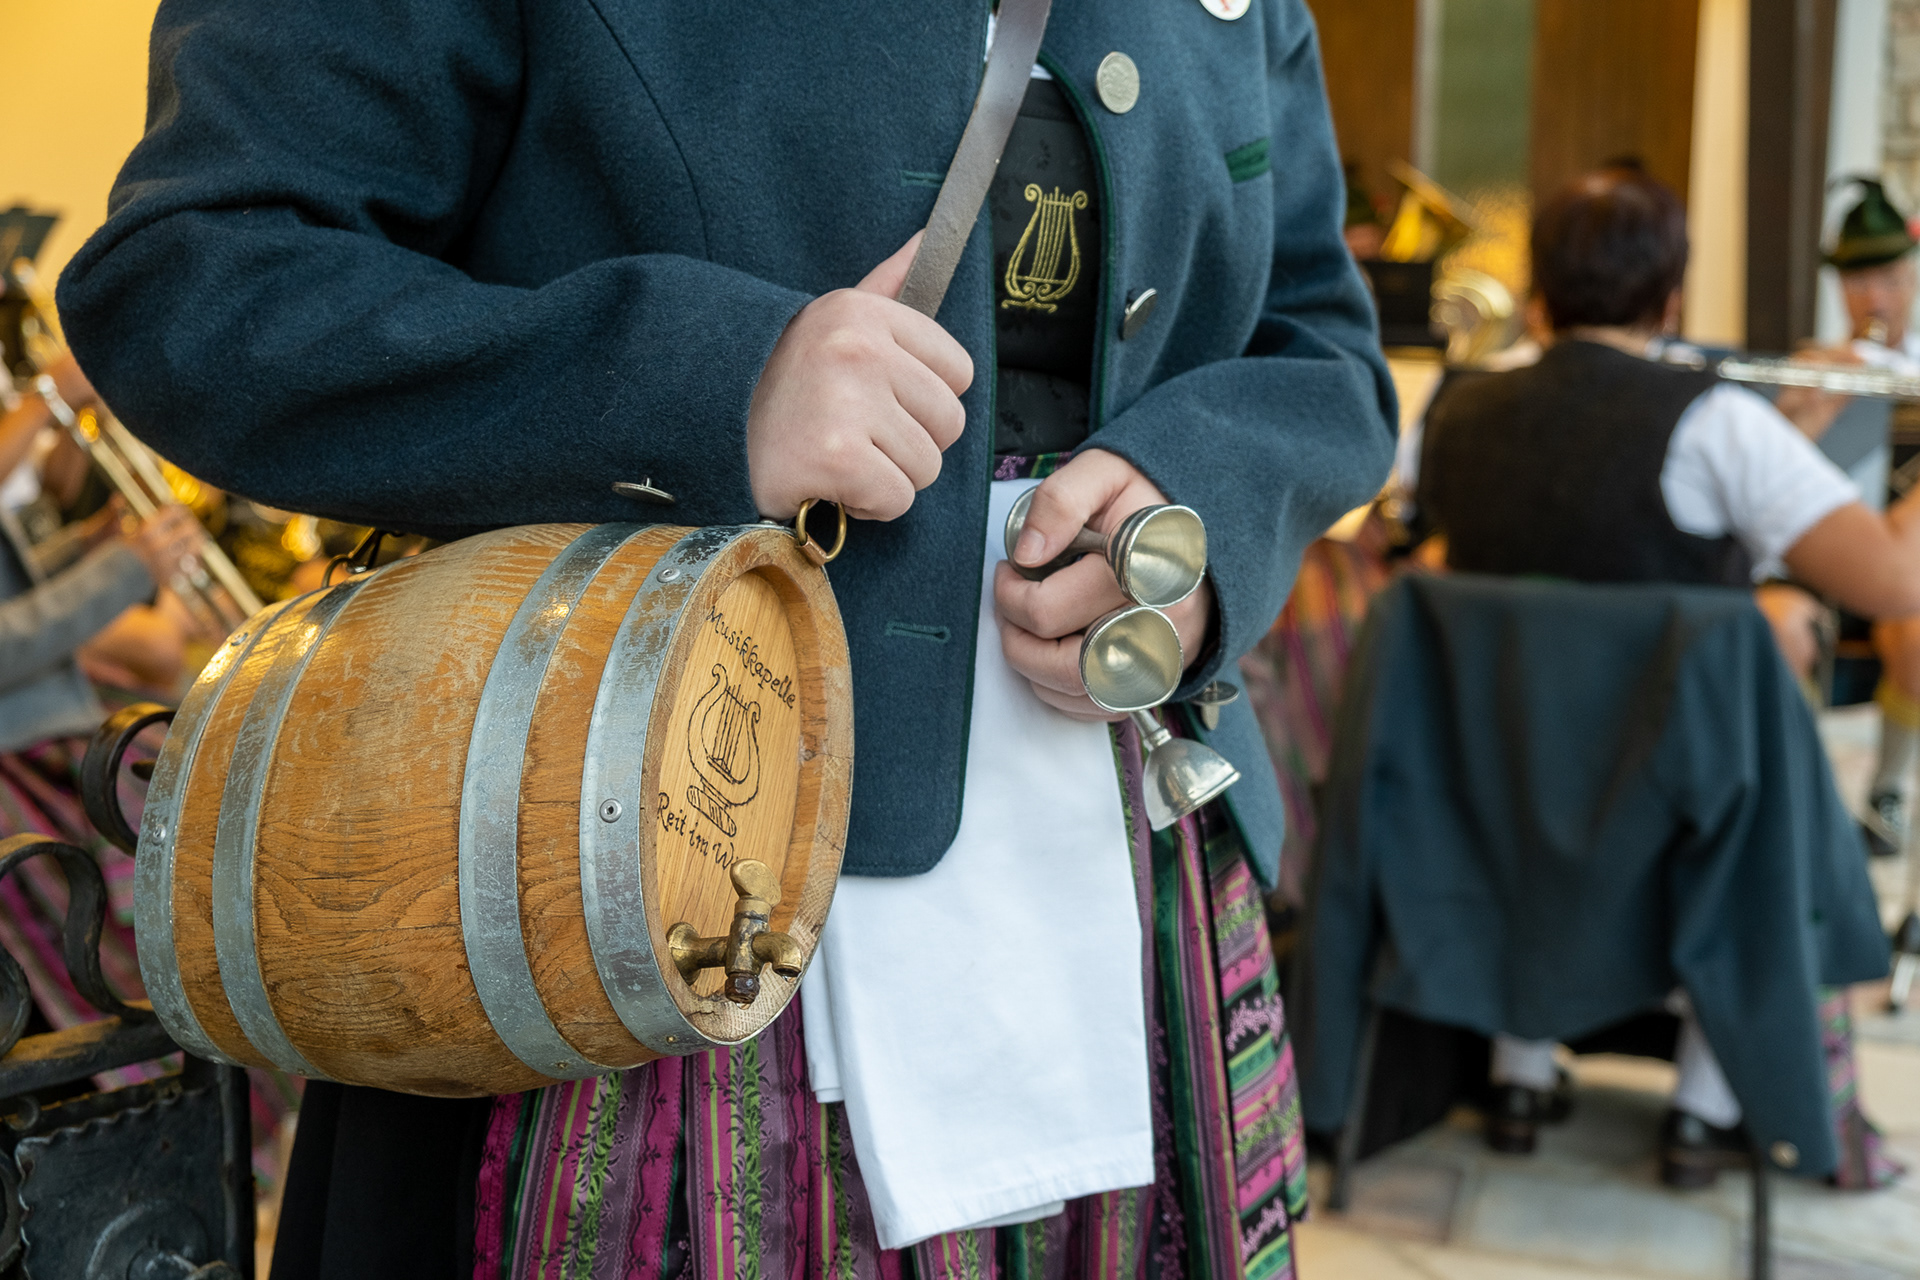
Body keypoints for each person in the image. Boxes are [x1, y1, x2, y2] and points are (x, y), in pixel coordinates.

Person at [58, 2, 1396, 1276]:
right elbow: (194, 281)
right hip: (631, 862)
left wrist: (1197, 510)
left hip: (1132, 890)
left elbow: (1321, 344)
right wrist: (708, 388)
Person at [1415, 165, 1920, 1187]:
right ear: (1673, 300)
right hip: (1665, 824)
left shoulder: (1453, 410)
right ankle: (1702, 1105)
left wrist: (1790, 431)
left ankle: (1519, 1071)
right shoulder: (1716, 423)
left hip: (1486, 804)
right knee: (1748, 766)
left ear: (1539, 296)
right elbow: (1893, 580)